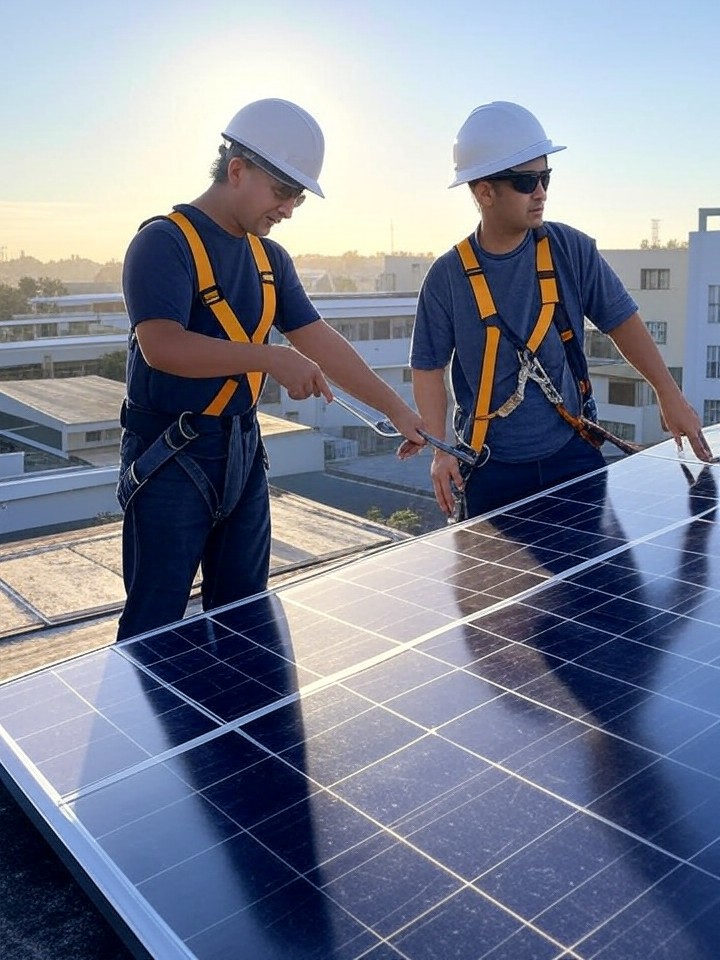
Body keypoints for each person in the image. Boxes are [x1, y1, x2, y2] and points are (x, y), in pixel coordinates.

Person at [116, 98, 425, 641]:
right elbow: (162, 346)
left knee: (244, 619)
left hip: (240, 454)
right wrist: (269, 357)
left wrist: (397, 410)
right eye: (283, 192)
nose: (288, 210)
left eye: (297, 197)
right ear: (237, 170)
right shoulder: (163, 243)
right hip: (171, 457)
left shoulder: (269, 258)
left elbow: (318, 339)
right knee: (154, 628)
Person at [408, 100, 713, 521]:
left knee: (594, 564)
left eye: (545, 177)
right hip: (490, 468)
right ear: (484, 192)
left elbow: (621, 321)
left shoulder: (570, 249)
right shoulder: (448, 277)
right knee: (498, 568)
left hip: (571, 454)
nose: (541, 192)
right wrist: (441, 451)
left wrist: (668, 392)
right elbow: (428, 367)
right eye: (525, 181)